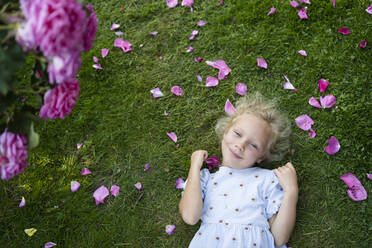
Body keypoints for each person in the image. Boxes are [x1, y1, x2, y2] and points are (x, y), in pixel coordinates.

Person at [179, 92, 298, 248]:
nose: (240, 145)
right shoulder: (205, 179)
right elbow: (190, 216)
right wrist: (194, 166)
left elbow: (279, 238)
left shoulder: (267, 180)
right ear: (226, 131)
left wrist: (291, 191)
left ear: (261, 157)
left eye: (253, 145)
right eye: (237, 134)